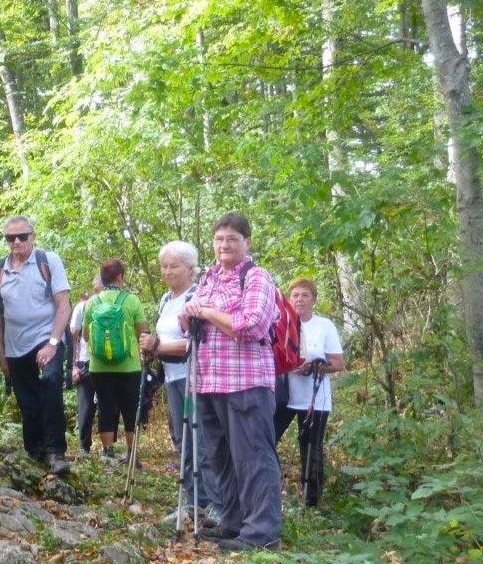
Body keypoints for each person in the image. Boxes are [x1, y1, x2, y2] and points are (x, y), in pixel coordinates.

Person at [180, 212, 282, 552]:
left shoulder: (257, 278)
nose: (224, 244)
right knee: (221, 457)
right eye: (219, 239)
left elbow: (251, 325)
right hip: (209, 382)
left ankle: (262, 533)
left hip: (246, 382)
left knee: (253, 458)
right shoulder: (208, 278)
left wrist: (206, 312)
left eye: (232, 239)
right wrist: (189, 315)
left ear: (247, 242)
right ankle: (234, 521)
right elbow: (191, 321)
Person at [139, 241, 222, 519]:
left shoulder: (196, 297)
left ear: (190, 268)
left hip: (194, 378)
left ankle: (214, 503)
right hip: (173, 377)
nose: (167, 271)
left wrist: (158, 346)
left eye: (173, 266)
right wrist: (151, 348)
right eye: (164, 266)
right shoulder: (166, 300)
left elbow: (196, 343)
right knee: (182, 438)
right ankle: (191, 499)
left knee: (200, 439)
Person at [0, 216, 72, 475]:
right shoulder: (0, 269)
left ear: (32, 237)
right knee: (27, 400)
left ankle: (56, 451)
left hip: (47, 336)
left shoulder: (48, 261)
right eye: (10, 237)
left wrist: (53, 343)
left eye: (22, 236)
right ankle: (35, 452)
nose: (16, 242)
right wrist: (0, 351)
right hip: (15, 344)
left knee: (50, 381)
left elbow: (63, 304)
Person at [274, 278, 344, 507]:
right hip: (284, 396)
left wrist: (314, 366)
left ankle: (311, 501)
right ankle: (274, 486)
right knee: (266, 439)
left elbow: (338, 363)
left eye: (305, 295)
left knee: (311, 447)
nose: (299, 300)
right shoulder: (280, 324)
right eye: (295, 295)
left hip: (315, 398)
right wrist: (290, 366)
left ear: (314, 299)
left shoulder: (324, 326)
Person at [83, 260, 148, 464]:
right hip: (129, 365)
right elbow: (143, 331)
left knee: (105, 406)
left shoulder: (92, 302)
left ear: (102, 279)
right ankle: (132, 454)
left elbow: (85, 335)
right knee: (130, 408)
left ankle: (107, 452)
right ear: (120, 277)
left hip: (99, 366)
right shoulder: (131, 300)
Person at [70, 279, 102, 454]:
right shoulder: (82, 307)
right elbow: (74, 338)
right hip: (85, 361)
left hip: (105, 362)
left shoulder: (115, 305)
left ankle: (107, 447)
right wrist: (74, 365)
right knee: (87, 406)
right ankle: (85, 447)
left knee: (106, 404)